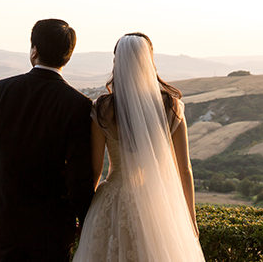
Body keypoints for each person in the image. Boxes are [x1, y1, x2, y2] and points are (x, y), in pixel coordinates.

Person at [73, 33, 204, 261]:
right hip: (156, 201)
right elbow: (184, 169)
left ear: (117, 63)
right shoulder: (170, 107)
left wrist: (85, 214)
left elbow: (94, 170)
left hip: (112, 202)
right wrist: (190, 218)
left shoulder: (103, 109)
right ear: (149, 61)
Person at [0, 19, 94, 261]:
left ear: (34, 51)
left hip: (7, 220)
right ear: (68, 56)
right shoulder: (78, 105)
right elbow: (79, 174)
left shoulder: (1, 90)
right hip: (52, 226)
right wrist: (84, 219)